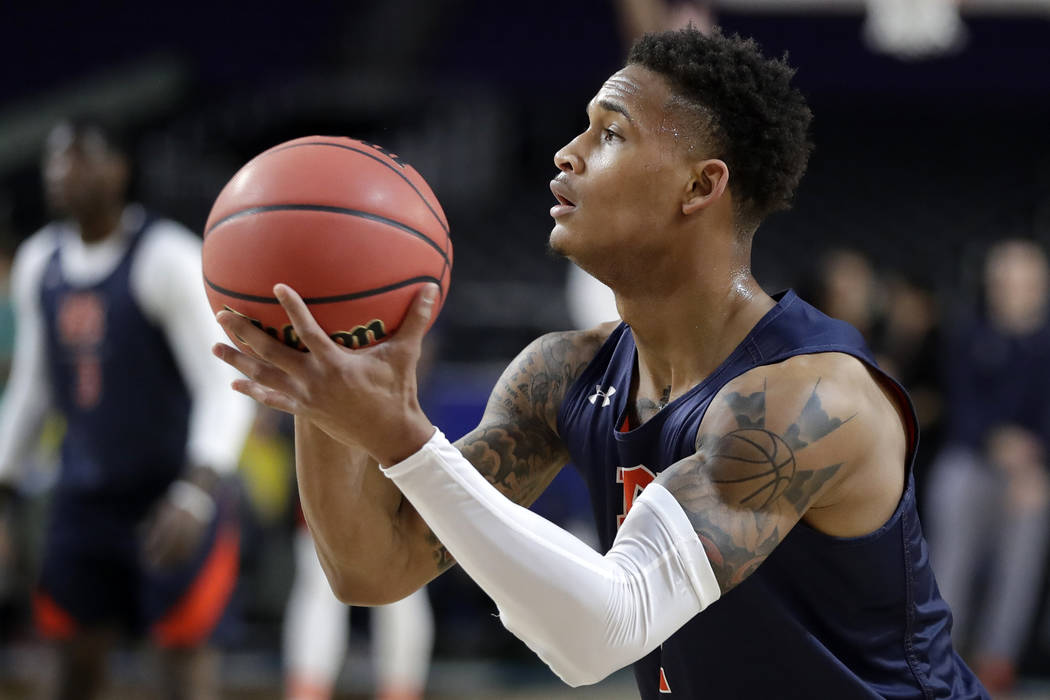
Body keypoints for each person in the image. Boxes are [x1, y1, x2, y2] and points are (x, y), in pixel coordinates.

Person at [214, 28, 986, 698]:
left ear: (701, 185)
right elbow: (372, 569)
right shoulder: (562, 375)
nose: (567, 153)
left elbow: (600, 635)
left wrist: (404, 443)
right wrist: (321, 356)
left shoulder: (811, 400)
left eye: (609, 133)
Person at [0, 118, 255, 700]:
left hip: (171, 494)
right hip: (83, 498)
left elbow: (224, 385)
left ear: (121, 169)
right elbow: (33, 390)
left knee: (181, 672)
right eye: (54, 158)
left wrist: (194, 494)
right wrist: (4, 489)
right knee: (69, 670)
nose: (62, 170)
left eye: (81, 155)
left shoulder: (166, 257)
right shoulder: (40, 261)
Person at [924, 239, 1050, 694]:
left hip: (1031, 470)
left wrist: (1032, 463)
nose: (1012, 290)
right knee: (953, 490)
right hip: (973, 458)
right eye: (1003, 281)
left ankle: (998, 659)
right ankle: (940, 654)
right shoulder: (966, 332)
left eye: (1023, 282)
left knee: (1031, 520)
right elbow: (961, 408)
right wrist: (999, 443)